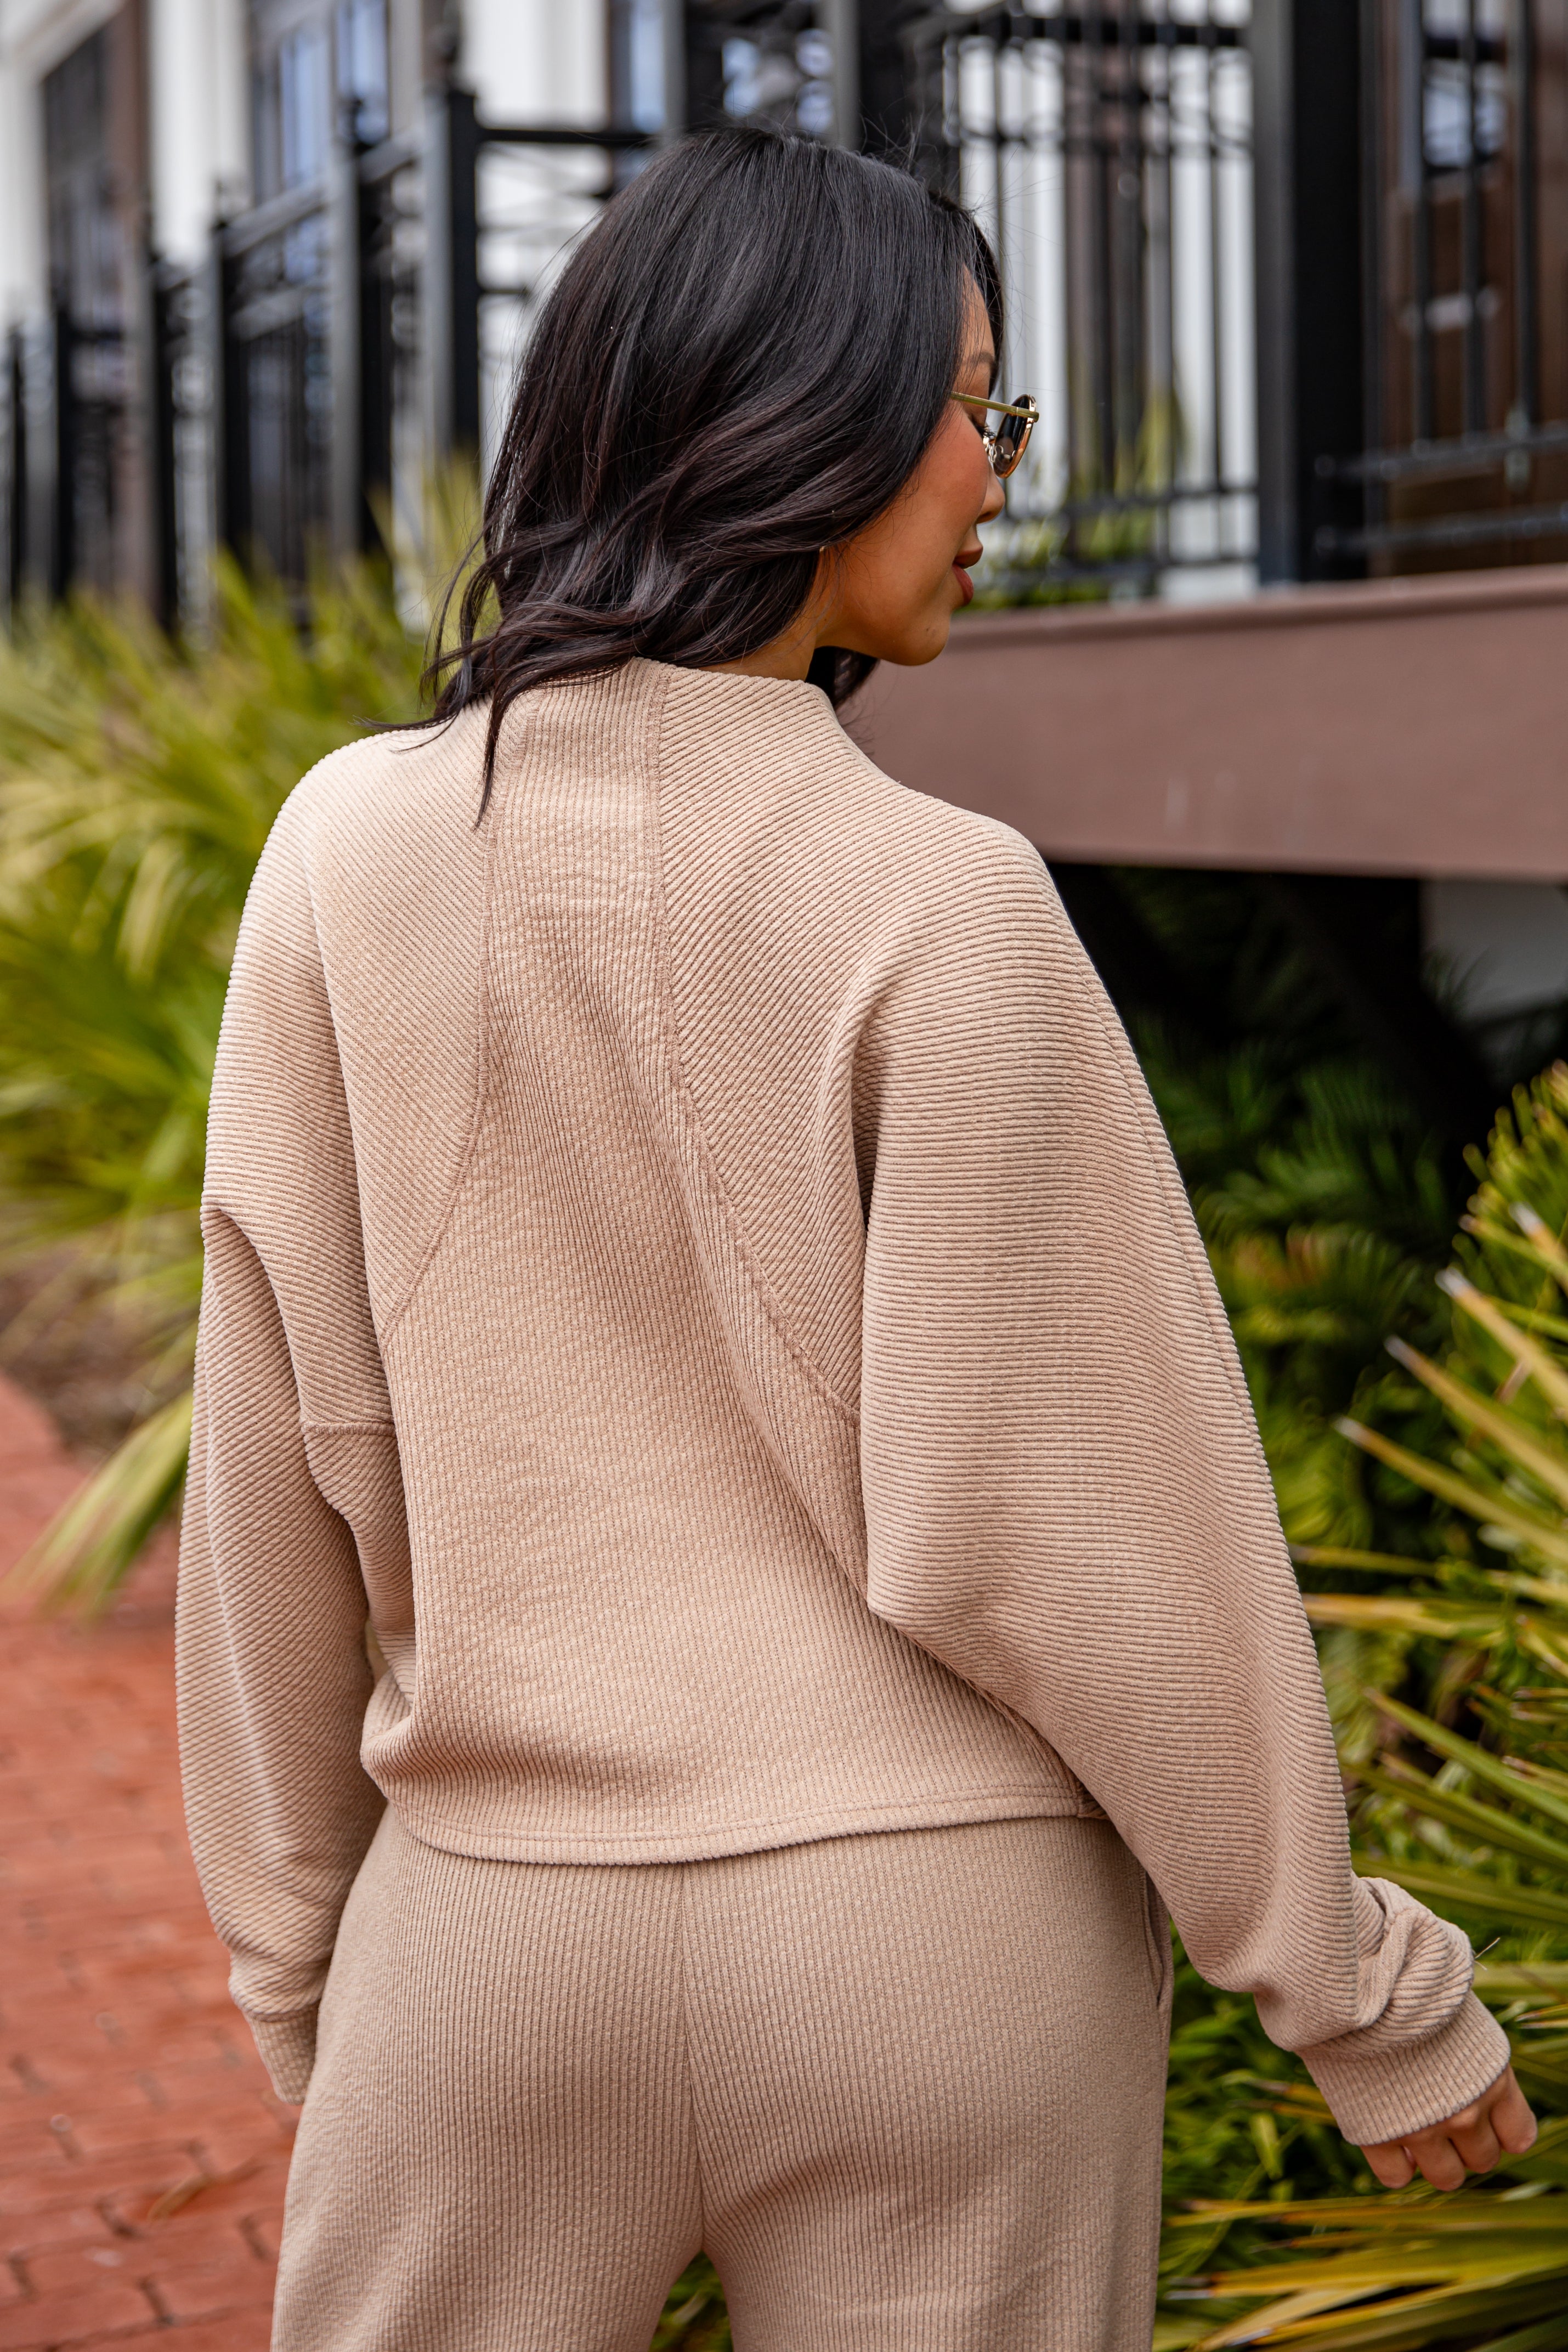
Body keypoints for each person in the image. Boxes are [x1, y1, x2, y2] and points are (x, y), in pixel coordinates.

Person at [177, 129, 1535, 2352]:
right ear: (801, 415)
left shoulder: (346, 854)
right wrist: (1362, 1998)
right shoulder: (947, 898)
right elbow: (1093, 1529)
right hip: (942, 1945)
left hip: (500, 1924)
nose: (1003, 474)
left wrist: (315, 1974)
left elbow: (272, 1483)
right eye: (979, 405)